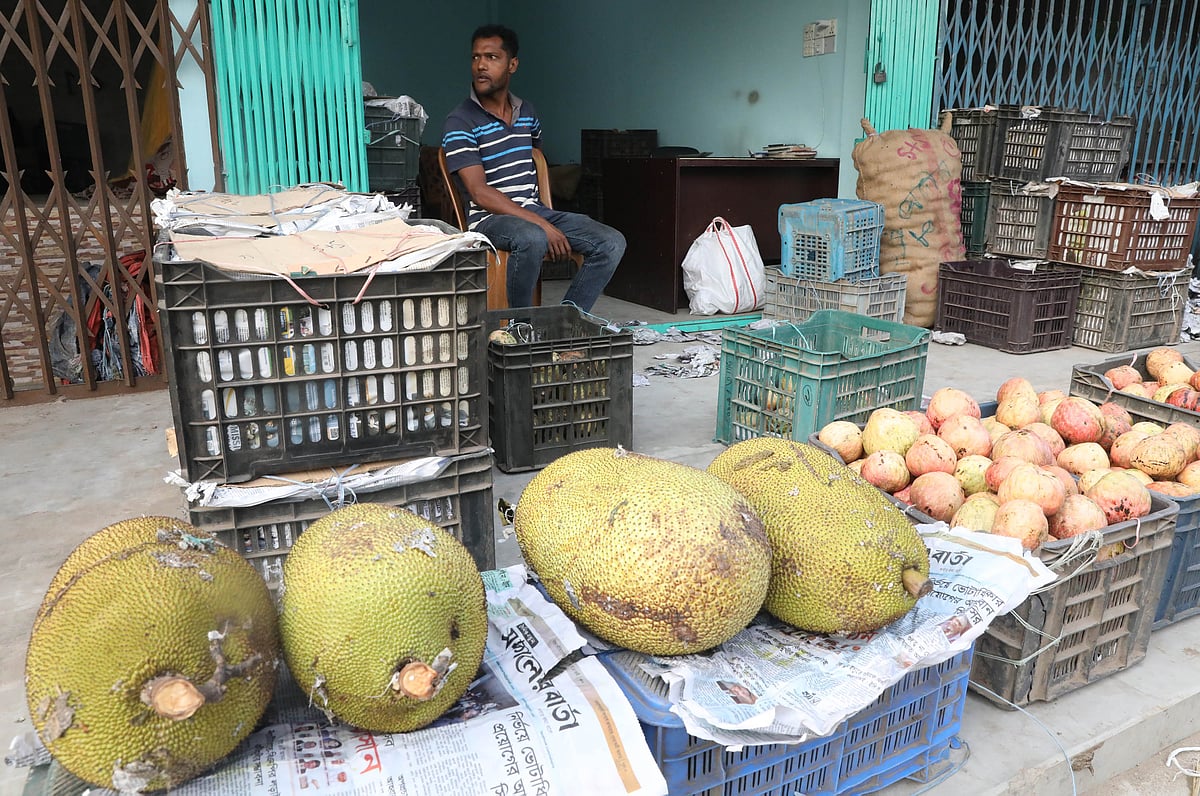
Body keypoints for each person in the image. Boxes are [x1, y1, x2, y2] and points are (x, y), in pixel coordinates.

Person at [442, 24, 625, 311]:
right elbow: (479, 193)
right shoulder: (460, 121)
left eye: (491, 57)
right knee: (532, 237)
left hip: (534, 209)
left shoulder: (527, 112)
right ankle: (521, 329)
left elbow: (535, 156)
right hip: (489, 220)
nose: (480, 66)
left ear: (512, 64)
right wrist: (540, 223)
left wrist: (541, 216)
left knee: (611, 242)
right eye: (476, 57)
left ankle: (566, 321)